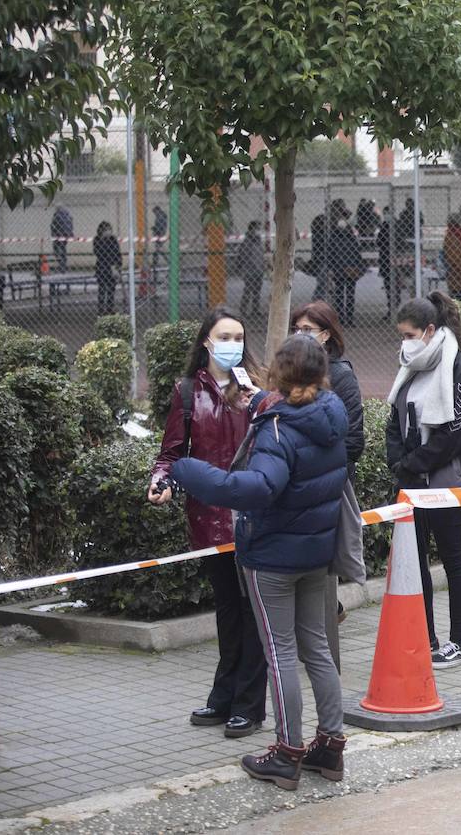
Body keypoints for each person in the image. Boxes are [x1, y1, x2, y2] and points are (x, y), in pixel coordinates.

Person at [170, 334, 349, 790]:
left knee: (280, 653)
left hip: (272, 557)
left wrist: (190, 472)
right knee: (317, 649)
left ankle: (287, 752)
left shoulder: (278, 428)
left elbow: (257, 488)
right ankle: (330, 746)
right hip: (315, 552)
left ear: (279, 373)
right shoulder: (329, 414)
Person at [148, 309, 267, 738]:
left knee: (255, 611)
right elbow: (172, 453)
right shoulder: (187, 392)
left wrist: (257, 399)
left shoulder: (255, 390)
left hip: (254, 516)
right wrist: (160, 481)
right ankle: (223, 695)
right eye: (224, 335)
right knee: (229, 609)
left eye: (238, 335)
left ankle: (250, 706)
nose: (233, 342)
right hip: (209, 519)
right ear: (206, 342)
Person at [386, 292, 461, 668]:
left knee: (453, 557)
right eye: (401, 336)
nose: (405, 343)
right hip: (412, 481)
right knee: (416, 561)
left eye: (410, 335)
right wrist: (401, 463)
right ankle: (425, 638)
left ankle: (459, 643)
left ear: (429, 330)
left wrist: (414, 462)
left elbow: (456, 434)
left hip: (445, 481)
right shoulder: (410, 365)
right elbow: (395, 418)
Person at [290, 301, 365, 475]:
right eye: (297, 329)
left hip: (330, 477)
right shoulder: (289, 372)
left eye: (308, 330)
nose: (300, 335)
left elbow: (352, 442)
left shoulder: (341, 375)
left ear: (325, 335)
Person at [326, 212, 363, 326]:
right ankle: (350, 319)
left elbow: (330, 254)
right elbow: (357, 253)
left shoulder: (333, 237)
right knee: (350, 294)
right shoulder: (351, 237)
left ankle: (341, 319)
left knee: (339, 294)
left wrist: (331, 268)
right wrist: (358, 266)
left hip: (338, 269)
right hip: (351, 268)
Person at [92, 221, 121, 315]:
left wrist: (118, 266)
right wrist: (104, 239)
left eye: (109, 229)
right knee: (102, 289)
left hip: (112, 267)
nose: (109, 231)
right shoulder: (97, 240)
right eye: (106, 230)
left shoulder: (113, 239)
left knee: (111, 289)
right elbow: (99, 252)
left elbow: (117, 252)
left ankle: (109, 308)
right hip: (102, 267)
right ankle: (101, 309)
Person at [50, 206, 73, 272]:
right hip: (66, 235)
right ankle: (63, 266)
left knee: (57, 250)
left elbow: (53, 226)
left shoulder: (57, 216)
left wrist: (53, 234)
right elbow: (71, 226)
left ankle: (61, 266)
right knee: (63, 249)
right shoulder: (68, 216)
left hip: (58, 235)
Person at [152, 205, 168, 269]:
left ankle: (155, 263)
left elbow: (160, 226)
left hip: (159, 234)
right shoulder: (161, 216)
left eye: (155, 212)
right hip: (160, 234)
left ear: (157, 211)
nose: (155, 214)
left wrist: (155, 229)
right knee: (159, 249)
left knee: (158, 249)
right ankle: (155, 262)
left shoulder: (160, 217)